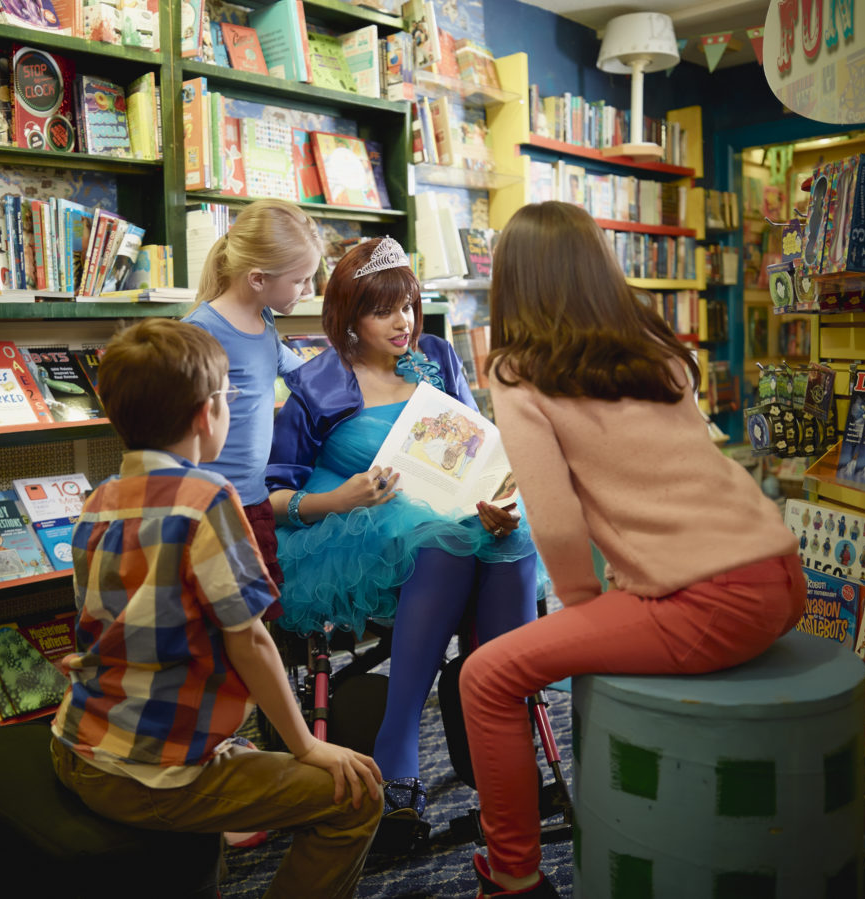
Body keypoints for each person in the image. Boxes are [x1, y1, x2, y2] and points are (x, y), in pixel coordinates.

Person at [460, 202, 805, 898]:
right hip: (783, 575)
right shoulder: (657, 350)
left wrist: (583, 610)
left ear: (513, 282)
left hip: (710, 603)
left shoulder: (517, 371)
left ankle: (513, 878)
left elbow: (557, 523)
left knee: (485, 677)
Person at [49, 319, 383, 899]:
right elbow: (249, 640)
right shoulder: (206, 499)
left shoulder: (99, 499)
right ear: (209, 414)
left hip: (75, 743)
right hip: (150, 774)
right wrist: (307, 745)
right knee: (357, 796)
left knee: (247, 753)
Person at [265, 236, 543, 829]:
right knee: (443, 544)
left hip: (452, 516)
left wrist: (502, 501)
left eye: (408, 306)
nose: (403, 323)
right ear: (348, 316)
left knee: (512, 542)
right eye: (382, 311)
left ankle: (505, 746)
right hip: (354, 535)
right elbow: (274, 497)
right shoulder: (317, 384)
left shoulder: (435, 356)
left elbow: (482, 452)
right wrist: (339, 498)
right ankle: (398, 749)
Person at [183, 198, 323, 593]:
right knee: (221, 608)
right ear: (258, 279)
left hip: (254, 499)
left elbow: (300, 372)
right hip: (209, 508)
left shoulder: (264, 318)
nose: (309, 291)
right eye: (300, 281)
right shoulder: (201, 331)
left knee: (259, 605)